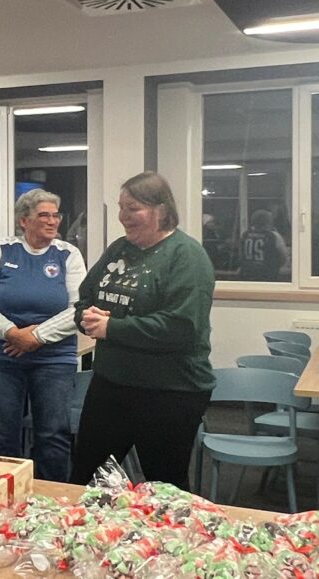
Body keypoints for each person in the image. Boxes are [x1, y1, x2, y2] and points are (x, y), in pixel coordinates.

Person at [70, 172, 215, 491]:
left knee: (163, 488)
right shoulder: (118, 250)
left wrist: (112, 328)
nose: (123, 216)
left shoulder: (187, 256)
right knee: (87, 479)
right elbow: (85, 297)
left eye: (133, 208)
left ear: (161, 210)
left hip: (169, 392)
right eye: (121, 207)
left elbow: (181, 327)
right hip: (111, 384)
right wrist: (87, 317)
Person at [0, 189, 87, 482]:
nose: (52, 221)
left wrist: (35, 337)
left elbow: (78, 309)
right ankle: (4, 497)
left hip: (54, 359)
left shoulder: (68, 255)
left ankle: (53, 499)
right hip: (3, 358)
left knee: (53, 435)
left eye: (56, 215)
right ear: (24, 221)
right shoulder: (0, 250)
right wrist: (12, 333)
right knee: (2, 436)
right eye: (44, 215)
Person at [238, 209, 288, 282]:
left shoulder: (245, 235)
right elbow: (284, 257)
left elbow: (240, 256)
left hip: (247, 275)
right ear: (269, 222)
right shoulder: (274, 236)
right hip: (268, 275)